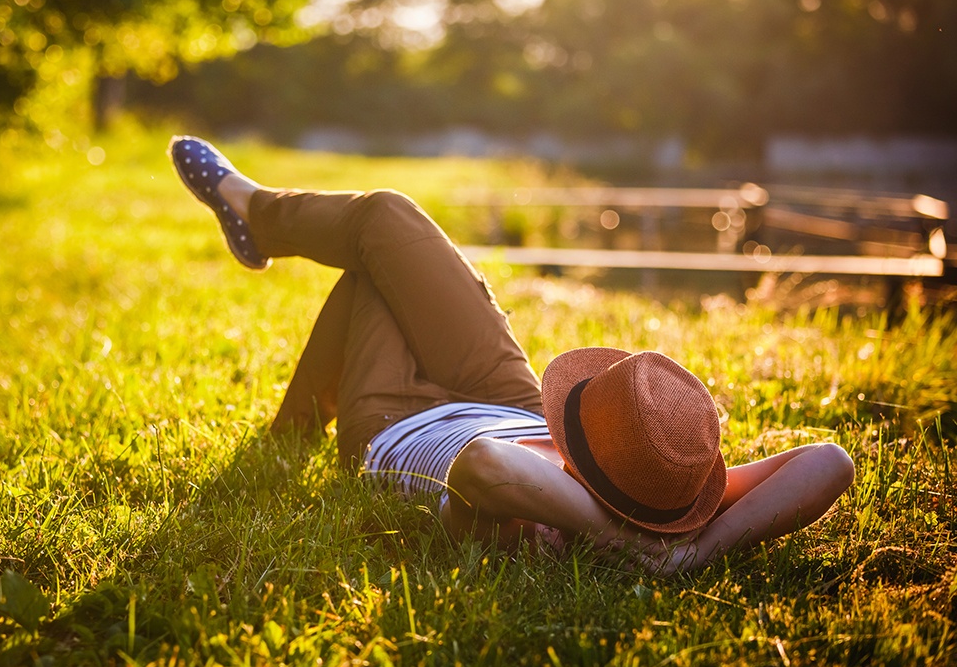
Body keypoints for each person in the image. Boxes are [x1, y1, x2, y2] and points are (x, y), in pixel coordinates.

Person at [169, 135, 856, 574]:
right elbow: (829, 461)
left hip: (399, 424)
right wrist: (690, 552)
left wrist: (631, 548)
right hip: (514, 402)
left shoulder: (537, 525)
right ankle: (256, 219)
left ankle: (251, 212)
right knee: (385, 217)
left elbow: (484, 464)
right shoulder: (665, 486)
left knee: (372, 257)